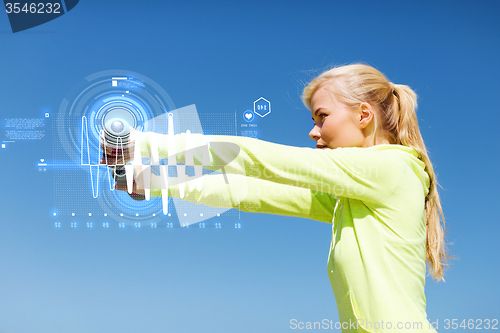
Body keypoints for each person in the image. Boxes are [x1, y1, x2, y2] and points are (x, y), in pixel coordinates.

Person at [102, 64, 448, 332]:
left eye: (322, 117)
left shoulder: (393, 168)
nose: (313, 131)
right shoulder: (352, 197)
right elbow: (247, 190)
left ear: (363, 115)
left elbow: (255, 158)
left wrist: (142, 144)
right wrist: (150, 180)